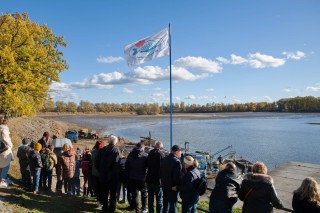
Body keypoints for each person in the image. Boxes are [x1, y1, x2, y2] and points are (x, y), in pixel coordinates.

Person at [96, 135, 121, 213]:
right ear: (115, 142)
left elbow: (96, 163)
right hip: (113, 177)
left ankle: (105, 208)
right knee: (113, 194)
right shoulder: (116, 150)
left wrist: (101, 171)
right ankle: (111, 209)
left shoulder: (102, 149)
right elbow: (117, 164)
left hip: (103, 175)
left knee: (104, 193)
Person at [126, 142, 148, 213]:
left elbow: (127, 167)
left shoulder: (130, 154)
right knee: (144, 194)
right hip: (142, 178)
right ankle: (144, 208)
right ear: (142, 147)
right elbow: (147, 167)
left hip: (132, 177)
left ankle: (136, 209)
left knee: (135, 194)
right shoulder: (145, 155)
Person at [160, 145, 183, 213]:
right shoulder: (177, 162)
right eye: (180, 152)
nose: (181, 153)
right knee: (173, 206)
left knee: (165, 204)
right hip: (173, 187)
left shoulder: (164, 159)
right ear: (176, 152)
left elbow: (160, 172)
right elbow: (176, 176)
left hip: (164, 185)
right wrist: (177, 186)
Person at [146, 141, 165, 213]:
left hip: (149, 178)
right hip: (157, 180)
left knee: (150, 198)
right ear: (160, 147)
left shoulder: (150, 153)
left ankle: (151, 211)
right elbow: (163, 167)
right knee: (159, 198)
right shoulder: (161, 154)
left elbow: (147, 164)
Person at [0, 118, 14, 188]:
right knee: (5, 165)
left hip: (1, 150)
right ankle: (2, 180)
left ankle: (1, 179)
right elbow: (6, 139)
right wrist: (11, 145)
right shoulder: (4, 129)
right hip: (4, 151)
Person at [91, 140, 105, 207]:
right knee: (101, 187)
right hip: (101, 172)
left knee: (96, 187)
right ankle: (100, 200)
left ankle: (98, 199)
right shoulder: (102, 152)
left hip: (94, 172)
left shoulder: (93, 152)